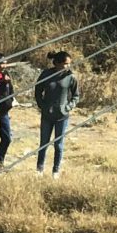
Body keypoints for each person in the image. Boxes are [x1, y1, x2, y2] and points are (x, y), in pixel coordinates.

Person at [35, 50, 79, 179]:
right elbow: (38, 90)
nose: (68, 66)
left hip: (62, 116)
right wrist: (42, 105)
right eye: (66, 63)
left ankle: (56, 171)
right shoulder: (46, 74)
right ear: (58, 63)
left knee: (58, 144)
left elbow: (76, 96)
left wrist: (67, 107)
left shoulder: (71, 76)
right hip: (47, 115)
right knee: (44, 142)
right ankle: (39, 169)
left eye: (69, 64)